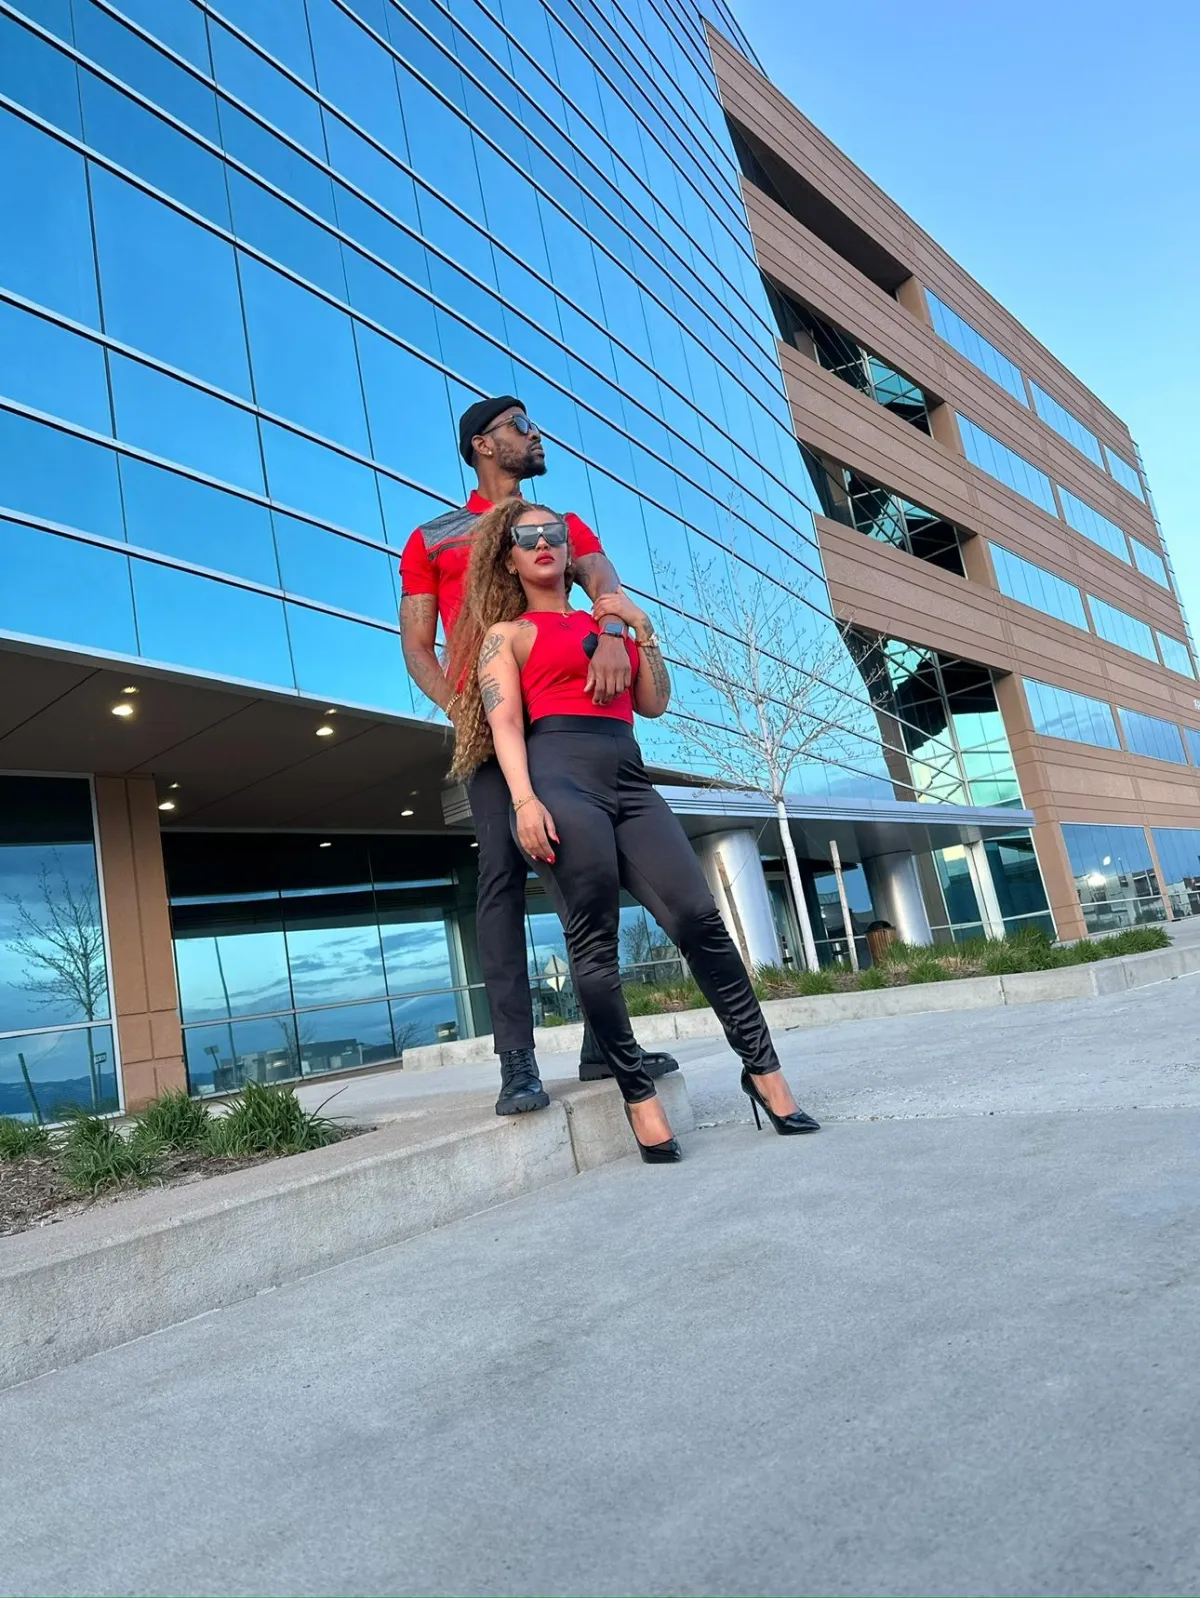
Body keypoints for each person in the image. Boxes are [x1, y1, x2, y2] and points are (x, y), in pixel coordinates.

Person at [447, 498, 820, 1161]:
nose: (543, 542)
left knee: (699, 919)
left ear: (567, 548)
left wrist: (638, 627)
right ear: (508, 557)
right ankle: (636, 1093)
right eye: (526, 536)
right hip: (558, 779)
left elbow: (653, 702)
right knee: (594, 942)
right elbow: (504, 725)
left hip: (629, 780)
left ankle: (763, 1072)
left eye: (553, 534)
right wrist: (525, 800)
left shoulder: (608, 622)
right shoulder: (507, 635)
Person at [400, 396, 678, 1115]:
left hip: (564, 722)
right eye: (521, 426)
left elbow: (606, 592)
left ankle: (602, 1045)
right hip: (492, 731)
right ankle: (516, 1061)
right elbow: (416, 649)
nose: (535, 434)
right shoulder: (430, 538)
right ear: (483, 446)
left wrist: (612, 637)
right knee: (498, 878)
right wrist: (464, 708)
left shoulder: (558, 525)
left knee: (589, 874)